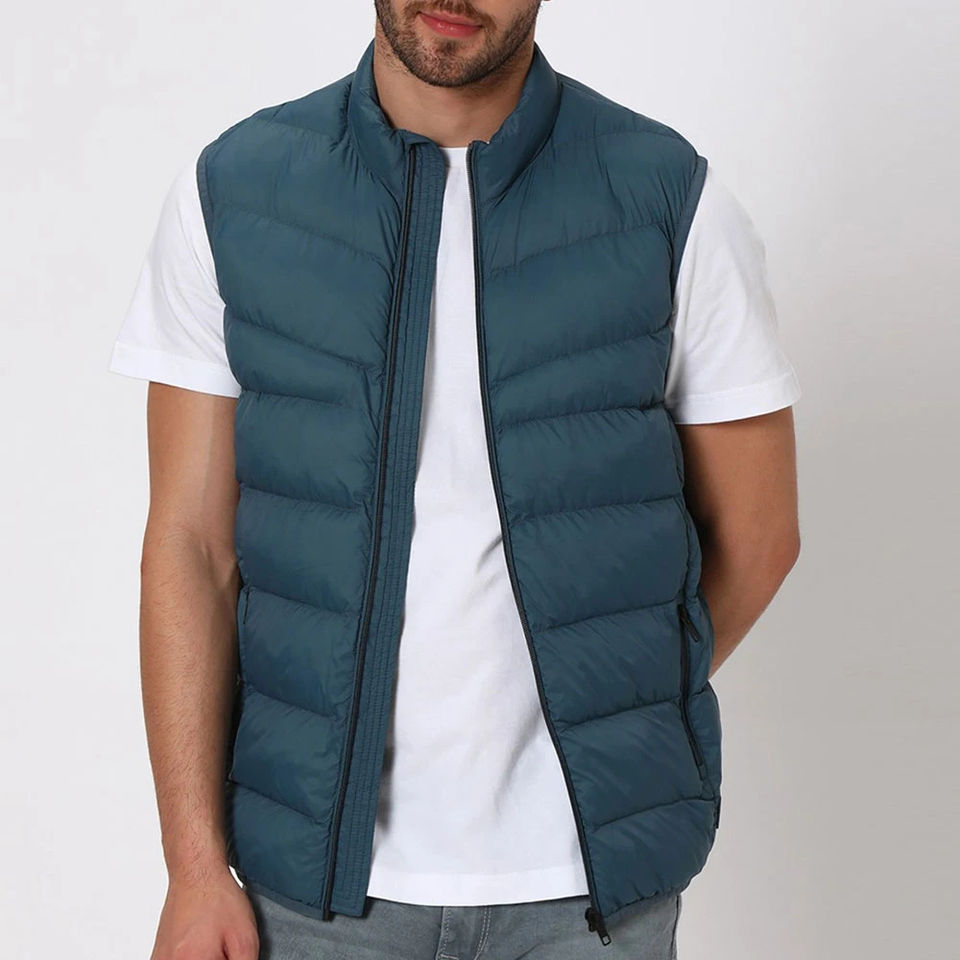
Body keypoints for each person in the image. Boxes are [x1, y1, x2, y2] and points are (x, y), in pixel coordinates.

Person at [109, 2, 802, 957]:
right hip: (313, 893)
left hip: (588, 895)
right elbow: (190, 547)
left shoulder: (668, 194)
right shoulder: (236, 191)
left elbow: (761, 536)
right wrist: (193, 869)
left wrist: (622, 699)